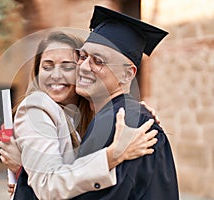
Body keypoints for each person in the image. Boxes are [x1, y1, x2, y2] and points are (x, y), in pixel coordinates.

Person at [0, 31, 158, 199]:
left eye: (67, 67)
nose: (56, 75)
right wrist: (112, 156)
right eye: (47, 67)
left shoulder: (83, 116)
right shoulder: (37, 107)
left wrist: (133, 109)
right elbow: (48, 185)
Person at [69, 6, 179, 199]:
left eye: (98, 61)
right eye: (83, 56)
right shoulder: (128, 116)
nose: (84, 67)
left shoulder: (119, 123)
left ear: (128, 74)